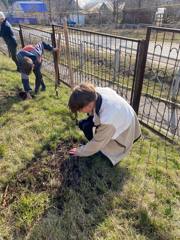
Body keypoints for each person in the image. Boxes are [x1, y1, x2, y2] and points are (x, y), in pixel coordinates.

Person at [68, 83, 141, 166]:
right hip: (126, 117)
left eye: (80, 110)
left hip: (125, 132)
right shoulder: (95, 93)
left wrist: (79, 151)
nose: (80, 112)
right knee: (83, 124)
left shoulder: (108, 120)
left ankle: (108, 152)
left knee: (87, 128)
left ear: (89, 105)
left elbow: (97, 143)